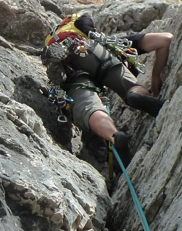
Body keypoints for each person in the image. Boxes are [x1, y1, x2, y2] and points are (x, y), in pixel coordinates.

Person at [42, 13, 173, 165]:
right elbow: (165, 39)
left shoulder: (55, 42)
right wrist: (156, 76)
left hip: (72, 70)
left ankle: (114, 136)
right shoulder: (111, 41)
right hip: (97, 52)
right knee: (130, 87)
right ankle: (135, 95)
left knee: (89, 107)